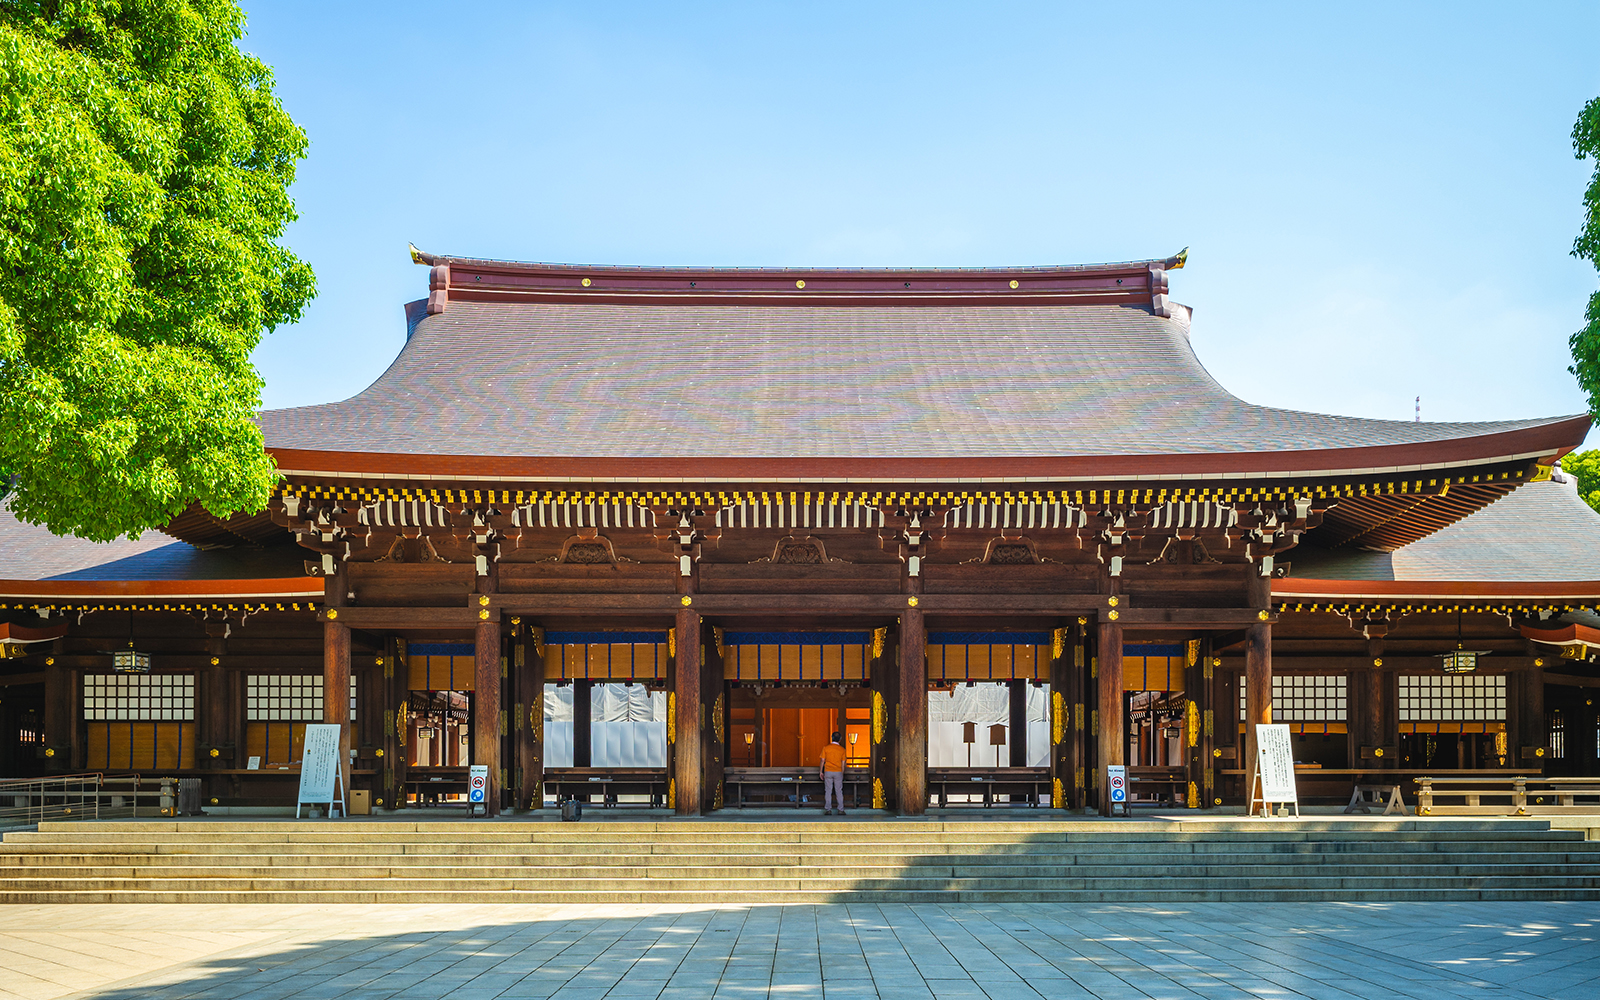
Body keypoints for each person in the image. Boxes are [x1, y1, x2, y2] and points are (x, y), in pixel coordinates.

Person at [820, 731, 846, 815]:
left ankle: (828, 809)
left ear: (832, 737)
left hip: (828, 771)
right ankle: (840, 809)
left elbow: (822, 760)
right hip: (838, 771)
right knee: (839, 791)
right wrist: (842, 773)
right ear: (840, 739)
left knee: (828, 791)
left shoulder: (826, 748)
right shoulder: (842, 750)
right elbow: (843, 763)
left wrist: (821, 771)